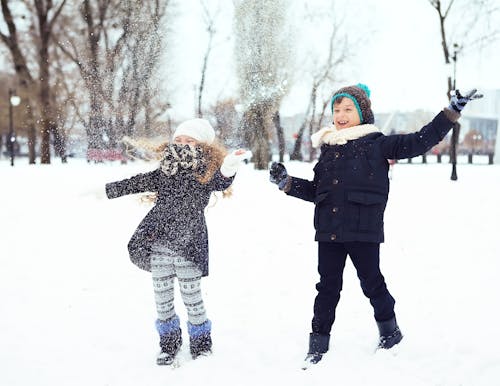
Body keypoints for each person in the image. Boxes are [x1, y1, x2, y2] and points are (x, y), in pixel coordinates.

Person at [269, 84, 482, 368]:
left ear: (362, 112)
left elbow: (420, 140)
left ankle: (390, 332)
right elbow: (318, 191)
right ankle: (318, 343)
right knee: (327, 288)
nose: (341, 115)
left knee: (372, 283)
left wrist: (451, 111)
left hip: (362, 230)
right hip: (329, 231)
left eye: (347, 109)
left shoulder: (377, 143)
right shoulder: (329, 148)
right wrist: (287, 183)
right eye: (337, 110)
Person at [106, 118, 249, 366]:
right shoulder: (165, 171)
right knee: (162, 300)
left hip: (189, 245)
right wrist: (106, 191)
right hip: (159, 243)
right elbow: (136, 183)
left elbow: (221, 181)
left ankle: (201, 345)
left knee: (193, 299)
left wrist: (229, 166)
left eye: (189, 140)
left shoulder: (205, 171)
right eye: (179, 140)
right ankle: (168, 345)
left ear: (202, 146)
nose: (182, 144)